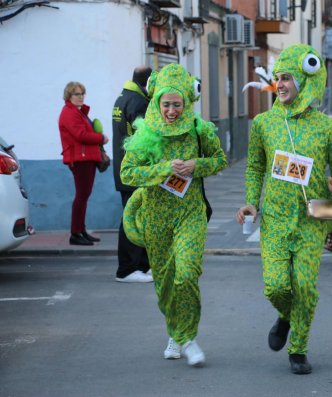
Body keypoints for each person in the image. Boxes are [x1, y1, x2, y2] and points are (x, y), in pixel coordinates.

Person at [235, 44, 332, 375]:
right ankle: (286, 315)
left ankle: (298, 349)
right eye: (278, 78)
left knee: (303, 285)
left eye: (287, 78)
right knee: (276, 286)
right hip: (273, 218)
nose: (281, 84)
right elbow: (255, 166)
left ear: (303, 80)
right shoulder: (263, 124)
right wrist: (250, 201)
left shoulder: (328, 128)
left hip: (313, 215)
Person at [120, 64, 228, 366]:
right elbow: (127, 173)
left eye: (177, 104)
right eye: (166, 104)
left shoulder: (198, 129)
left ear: (186, 103)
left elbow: (220, 160)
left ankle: (189, 337)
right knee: (165, 284)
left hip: (189, 214)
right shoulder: (147, 132)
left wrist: (196, 166)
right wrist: (163, 169)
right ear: (156, 103)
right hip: (156, 218)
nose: (171, 111)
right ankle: (176, 333)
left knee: (187, 274)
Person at [112, 66, 153, 283]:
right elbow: (145, 140)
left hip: (124, 170)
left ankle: (142, 266)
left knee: (137, 217)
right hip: (135, 172)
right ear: (147, 83)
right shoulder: (138, 102)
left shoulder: (123, 98)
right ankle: (127, 269)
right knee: (132, 219)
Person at [58, 82, 109, 246]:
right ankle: (75, 234)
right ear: (69, 96)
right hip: (80, 159)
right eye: (76, 94)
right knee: (81, 196)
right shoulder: (69, 113)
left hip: (86, 158)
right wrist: (101, 138)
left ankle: (81, 231)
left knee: (84, 196)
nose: (80, 97)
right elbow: (81, 135)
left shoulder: (77, 112)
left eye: (82, 94)